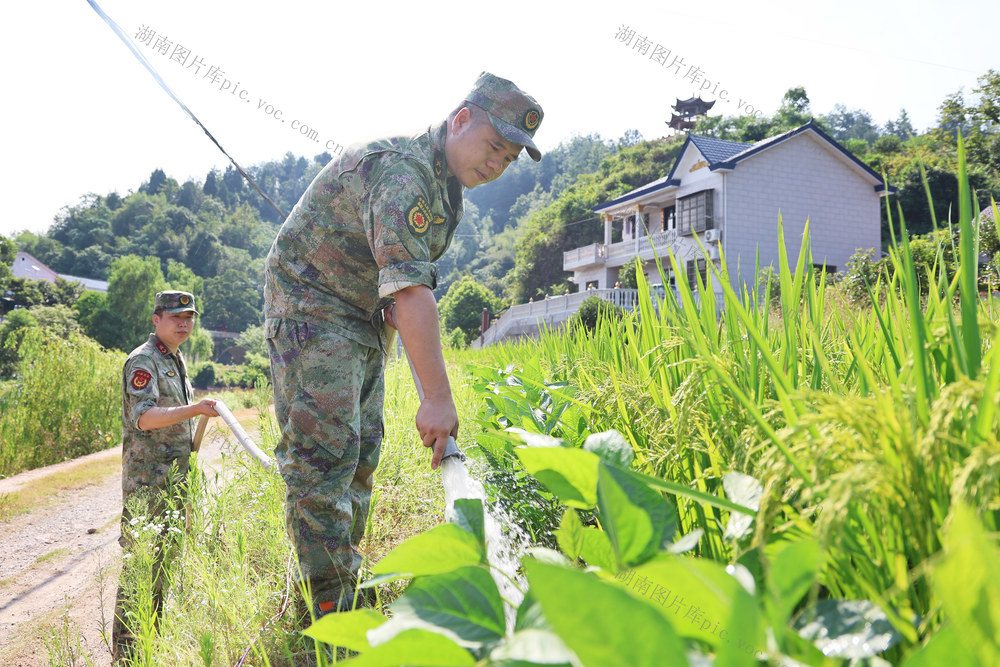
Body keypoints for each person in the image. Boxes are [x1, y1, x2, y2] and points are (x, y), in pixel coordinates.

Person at [264, 71, 543, 620]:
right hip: (312, 305)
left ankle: (333, 580)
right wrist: (437, 399)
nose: (496, 164)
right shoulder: (405, 172)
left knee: (362, 449)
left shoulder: (448, 190)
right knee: (324, 458)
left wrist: (412, 354)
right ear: (461, 119)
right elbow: (412, 290)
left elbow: (402, 289)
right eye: (493, 147)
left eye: (508, 159)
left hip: (363, 315)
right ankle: (329, 609)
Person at [113, 290, 218, 663]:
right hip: (148, 483)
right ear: (156, 320)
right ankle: (127, 657)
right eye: (175, 317)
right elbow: (144, 417)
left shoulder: (172, 358)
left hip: (172, 481)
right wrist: (195, 409)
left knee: (163, 567)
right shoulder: (144, 361)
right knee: (141, 569)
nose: (184, 323)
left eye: (189, 317)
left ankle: (149, 648)